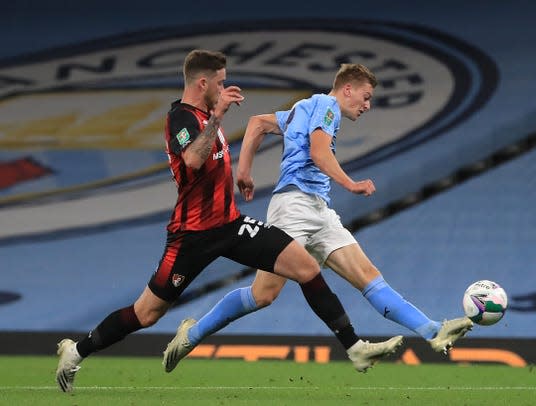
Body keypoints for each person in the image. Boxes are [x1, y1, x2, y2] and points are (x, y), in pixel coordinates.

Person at [55, 50, 403, 393]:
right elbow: (192, 160)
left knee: (305, 267)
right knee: (147, 313)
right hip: (192, 235)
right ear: (202, 82)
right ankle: (76, 351)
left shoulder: (205, 114)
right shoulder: (181, 117)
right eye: (219, 83)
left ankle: (355, 348)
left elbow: (217, 160)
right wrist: (218, 117)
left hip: (231, 225)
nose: (224, 90)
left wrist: (243, 174)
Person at [162, 63, 473, 373]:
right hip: (294, 207)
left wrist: (244, 172)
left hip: (318, 209)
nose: (367, 105)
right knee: (263, 294)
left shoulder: (305, 106)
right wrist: (351, 184)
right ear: (346, 89)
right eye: (365, 97)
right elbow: (319, 153)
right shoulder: (327, 107)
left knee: (367, 275)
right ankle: (192, 335)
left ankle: (432, 330)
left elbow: (257, 123)